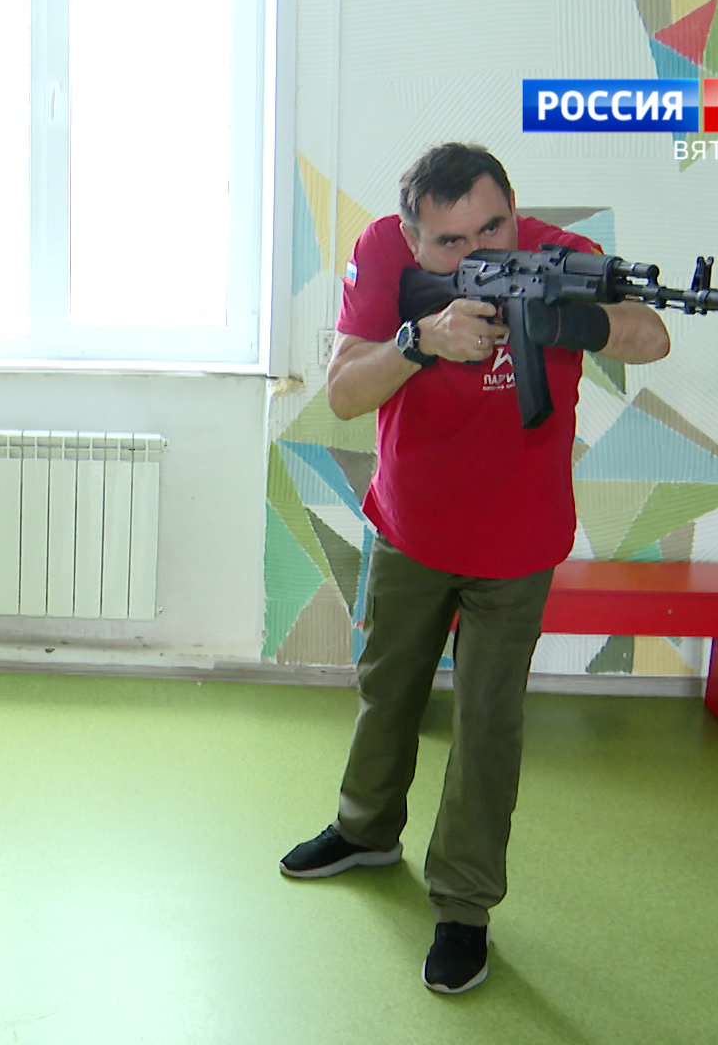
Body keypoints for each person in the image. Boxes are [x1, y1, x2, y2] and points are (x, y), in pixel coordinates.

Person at [279, 143, 671, 994]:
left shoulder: (559, 256)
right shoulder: (382, 252)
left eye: (493, 227)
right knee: (387, 691)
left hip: (517, 545)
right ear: (413, 239)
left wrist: (566, 323)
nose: (480, 250)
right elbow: (344, 393)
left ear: (513, 209)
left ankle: (463, 907)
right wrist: (419, 339)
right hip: (411, 529)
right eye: (451, 242)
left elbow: (653, 333)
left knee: (487, 726)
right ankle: (365, 830)